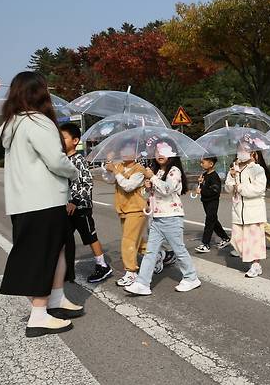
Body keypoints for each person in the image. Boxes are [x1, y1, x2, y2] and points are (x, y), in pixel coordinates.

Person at [0, 71, 83, 338]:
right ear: (40, 92)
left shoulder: (11, 124)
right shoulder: (39, 122)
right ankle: (38, 315)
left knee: (55, 251)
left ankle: (56, 299)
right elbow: (56, 161)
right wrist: (74, 171)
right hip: (44, 200)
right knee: (43, 255)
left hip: (23, 201)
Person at [125, 143, 202, 295]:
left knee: (179, 250)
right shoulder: (158, 171)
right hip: (157, 218)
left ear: (172, 154)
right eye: (157, 151)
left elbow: (167, 190)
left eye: (164, 151)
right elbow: (154, 194)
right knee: (150, 253)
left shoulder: (174, 171)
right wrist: (148, 187)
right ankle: (142, 283)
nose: (160, 154)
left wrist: (151, 177)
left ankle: (191, 277)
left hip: (171, 217)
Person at [60, 123, 113, 283]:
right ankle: (64, 269)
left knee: (90, 236)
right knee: (63, 238)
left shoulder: (78, 160)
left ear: (75, 140)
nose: (60, 141)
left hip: (80, 207)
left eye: (63, 138)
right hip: (67, 207)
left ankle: (102, 265)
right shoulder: (63, 159)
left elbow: (87, 183)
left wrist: (75, 201)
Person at [102, 141, 147, 287]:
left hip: (136, 209)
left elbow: (128, 186)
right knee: (136, 242)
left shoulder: (140, 169)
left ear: (138, 154)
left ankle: (131, 272)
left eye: (129, 150)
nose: (125, 153)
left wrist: (115, 171)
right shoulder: (119, 166)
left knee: (128, 241)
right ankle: (159, 255)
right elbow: (108, 179)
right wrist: (108, 165)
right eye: (123, 150)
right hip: (123, 209)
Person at [224, 145, 268, 277]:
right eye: (239, 150)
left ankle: (255, 265)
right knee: (236, 240)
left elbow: (259, 188)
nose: (240, 153)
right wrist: (232, 177)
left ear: (252, 153)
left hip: (253, 212)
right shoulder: (234, 168)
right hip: (238, 211)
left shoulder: (257, 169)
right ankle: (252, 262)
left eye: (244, 150)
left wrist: (240, 187)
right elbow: (228, 189)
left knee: (253, 241)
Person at [195, 156, 232, 253]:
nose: (201, 164)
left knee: (209, 221)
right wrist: (201, 183)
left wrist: (202, 190)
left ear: (211, 164)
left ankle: (205, 244)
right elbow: (205, 187)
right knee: (213, 220)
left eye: (203, 162)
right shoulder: (204, 174)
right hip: (205, 201)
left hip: (212, 201)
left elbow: (215, 191)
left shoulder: (215, 176)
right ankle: (225, 238)